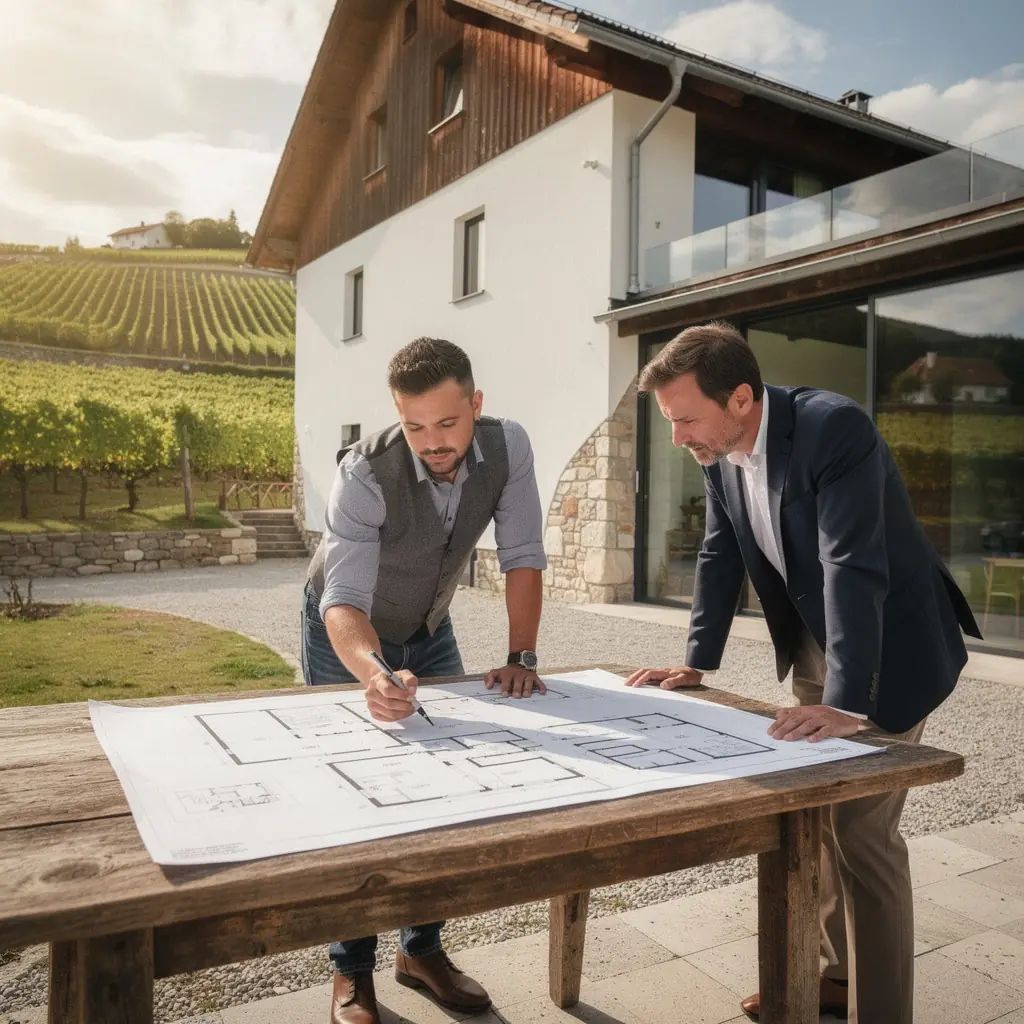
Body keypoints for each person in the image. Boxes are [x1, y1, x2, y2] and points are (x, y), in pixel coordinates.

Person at [625, 322, 980, 1024]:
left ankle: (881, 1011)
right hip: (821, 648)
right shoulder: (717, 445)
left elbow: (852, 563)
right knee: (812, 824)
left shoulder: (832, 428)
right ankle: (833, 978)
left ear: (742, 400)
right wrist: (696, 660)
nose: (677, 438)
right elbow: (720, 552)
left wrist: (848, 702)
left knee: (861, 836)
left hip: (893, 647)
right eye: (670, 422)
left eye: (685, 419)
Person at [301, 337, 548, 1024]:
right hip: (348, 628)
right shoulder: (364, 472)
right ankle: (351, 971)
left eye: (446, 424)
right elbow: (343, 597)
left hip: (429, 621)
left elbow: (524, 555)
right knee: (363, 786)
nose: (432, 443)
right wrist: (375, 675)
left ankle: (422, 950)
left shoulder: (508, 446)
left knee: (448, 783)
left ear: (475, 404)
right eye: (414, 428)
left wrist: (521, 656)